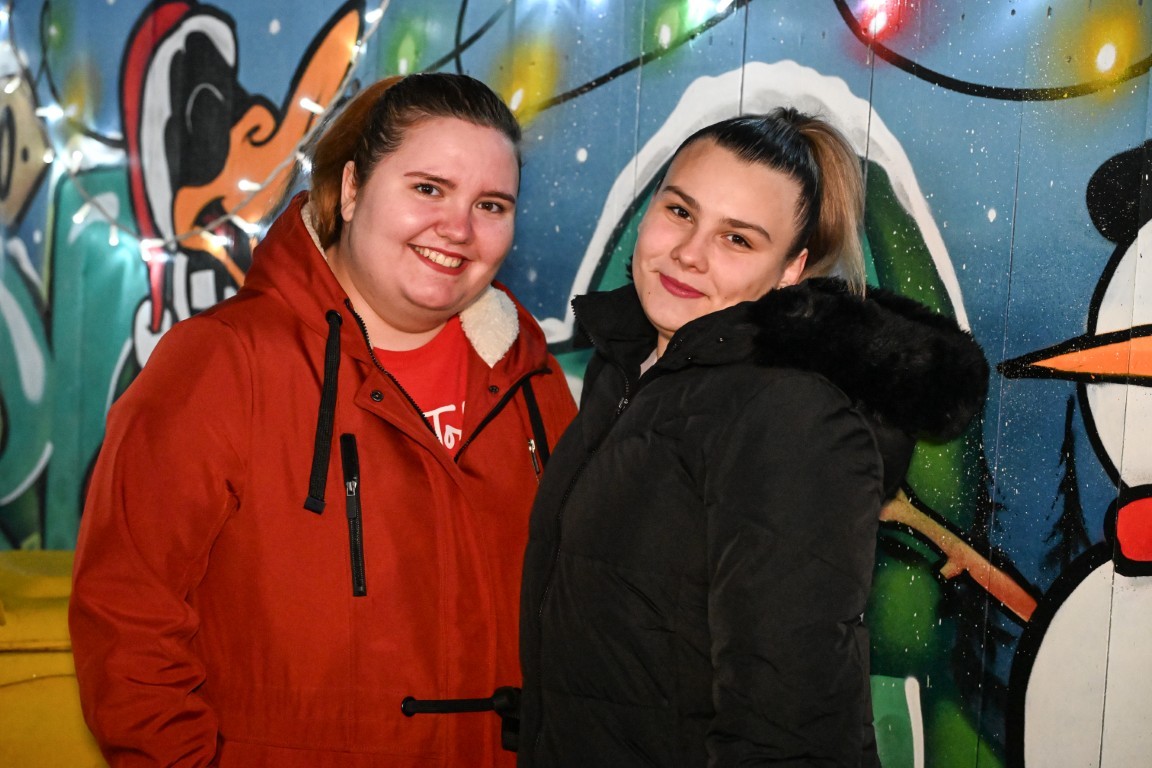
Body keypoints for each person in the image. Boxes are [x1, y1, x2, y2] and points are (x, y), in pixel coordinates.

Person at [69, 72, 577, 767]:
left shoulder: (532, 383)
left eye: (490, 205)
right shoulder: (222, 364)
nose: (458, 229)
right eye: (428, 189)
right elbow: (127, 622)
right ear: (352, 188)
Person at [517, 108, 989, 766]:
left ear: (792, 270)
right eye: (680, 211)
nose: (689, 253)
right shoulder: (625, 366)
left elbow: (791, 722)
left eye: (737, 239)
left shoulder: (789, 416)